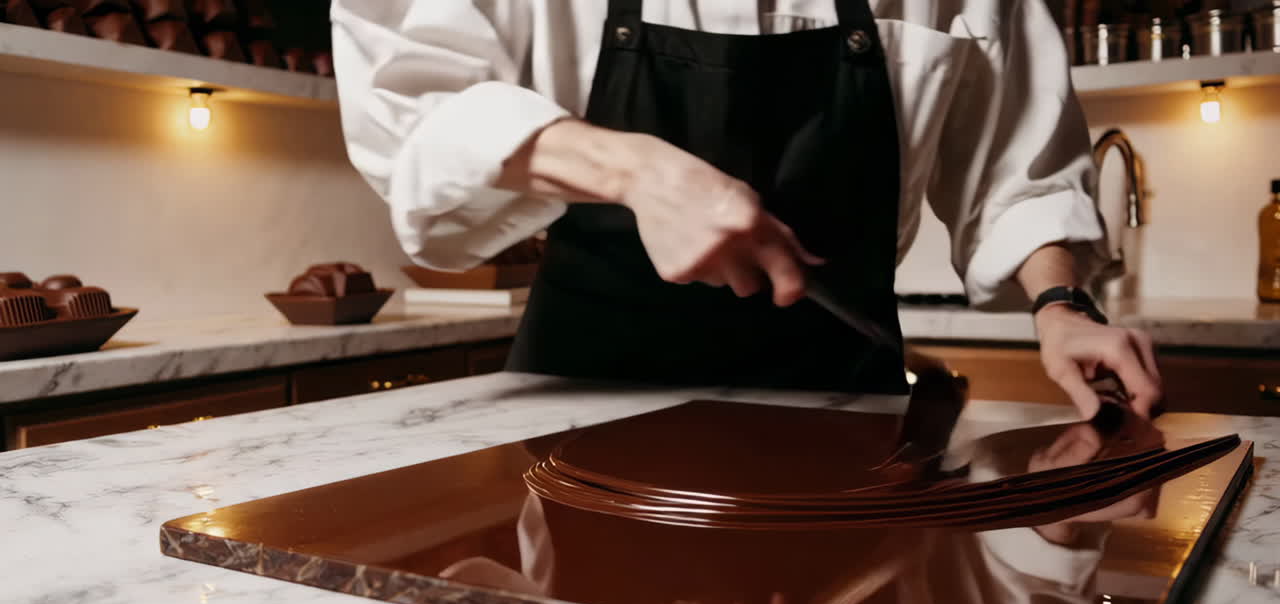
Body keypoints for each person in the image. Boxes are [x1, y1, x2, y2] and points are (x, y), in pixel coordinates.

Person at [330, 0, 1163, 419]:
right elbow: (409, 115)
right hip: (583, 405)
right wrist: (635, 168)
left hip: (850, 409)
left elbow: (1018, 155)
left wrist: (1062, 305)